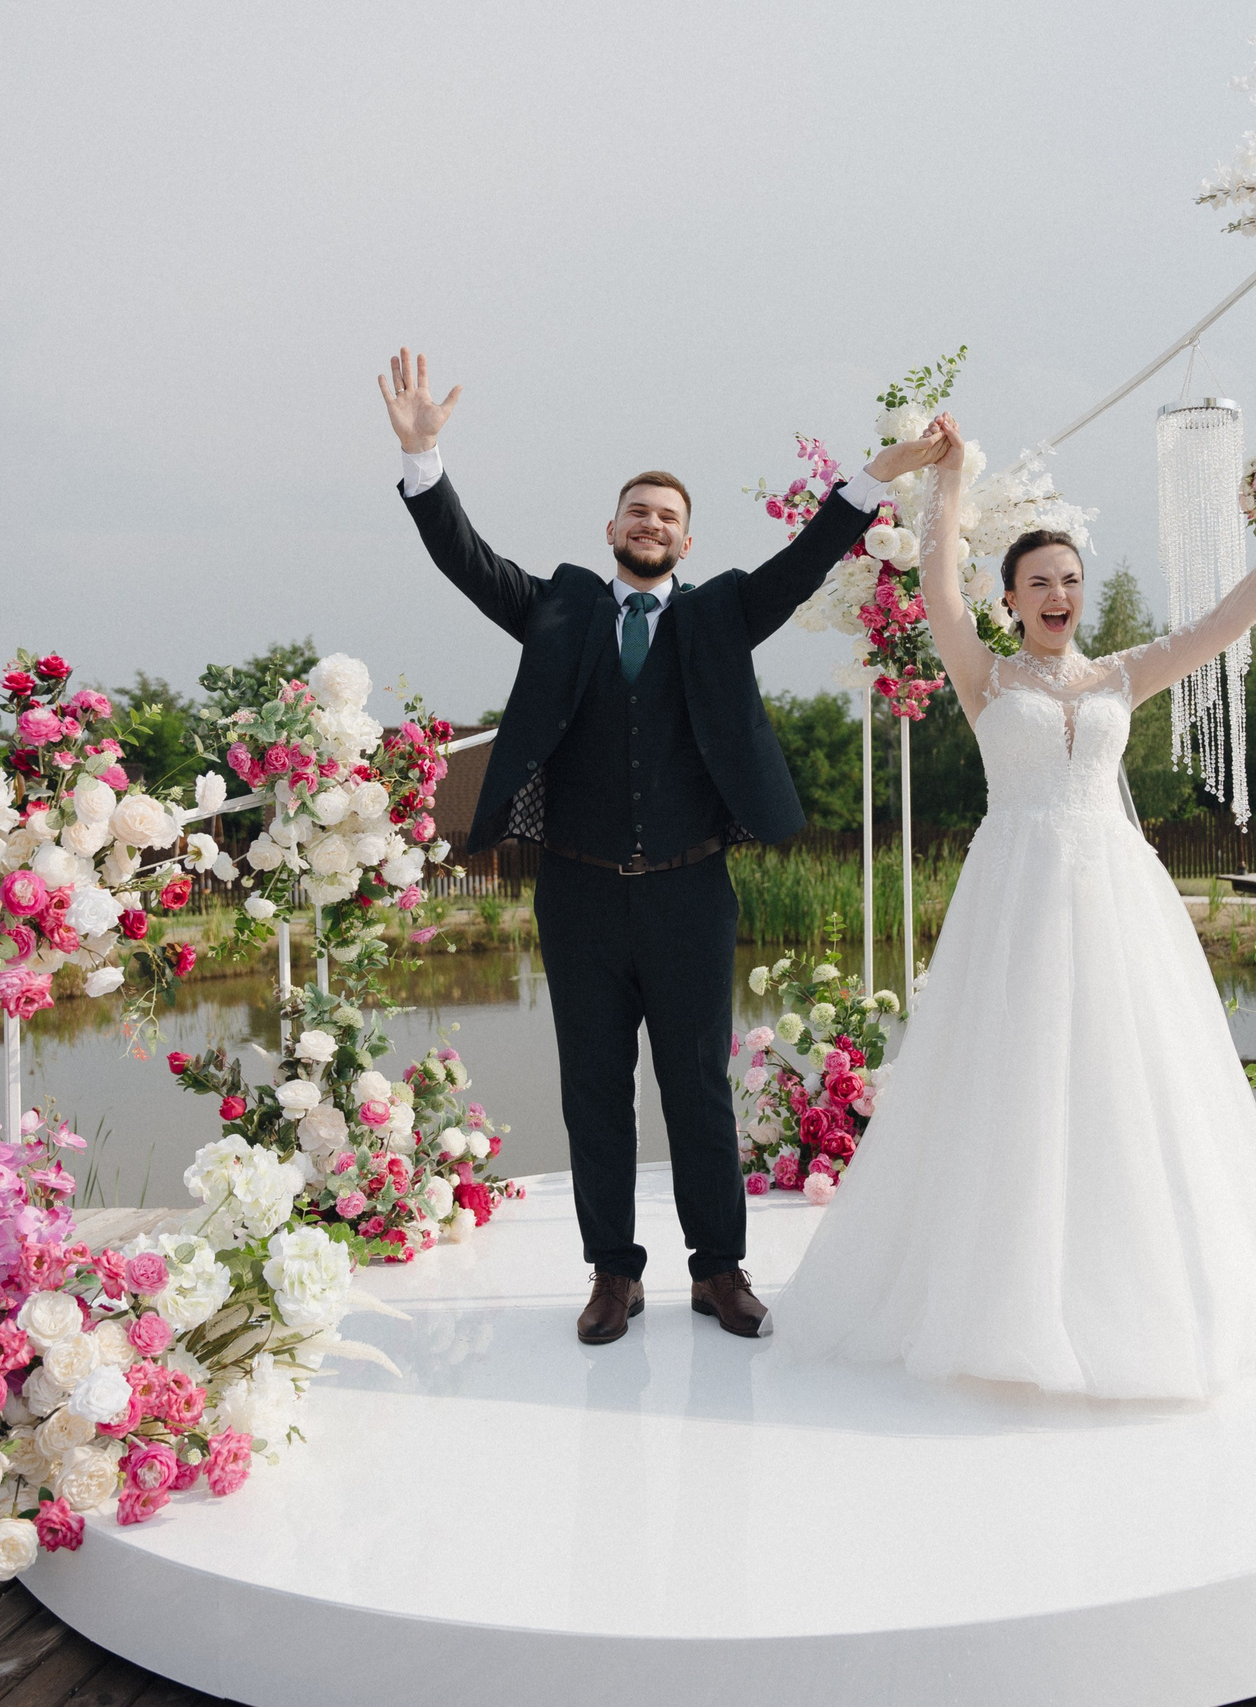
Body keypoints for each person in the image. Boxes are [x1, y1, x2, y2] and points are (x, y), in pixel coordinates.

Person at [378, 345, 946, 1345]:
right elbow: (467, 559)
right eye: (637, 510)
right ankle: (611, 1276)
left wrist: (878, 478)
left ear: (687, 541)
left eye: (668, 516)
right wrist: (425, 463)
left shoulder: (721, 614)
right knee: (592, 1089)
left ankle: (718, 1271)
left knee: (697, 1093)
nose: (652, 523)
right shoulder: (559, 606)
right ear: (612, 531)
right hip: (579, 893)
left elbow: (808, 556)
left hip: (691, 895)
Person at [770, 414, 1256, 1399]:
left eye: (1069, 579)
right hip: (1016, 893)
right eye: (1039, 582)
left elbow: (1220, 626)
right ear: (1013, 599)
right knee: (1010, 1084)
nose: (1058, 593)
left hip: (1115, 895)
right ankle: (998, 1299)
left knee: (1124, 1083)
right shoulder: (985, 677)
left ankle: (1131, 1292)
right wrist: (950, 477)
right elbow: (937, 584)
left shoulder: (1122, 674)